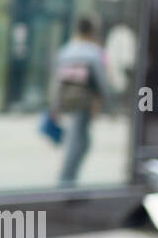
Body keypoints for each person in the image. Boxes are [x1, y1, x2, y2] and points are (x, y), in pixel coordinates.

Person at [48, 14, 113, 187]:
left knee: (78, 139)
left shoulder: (66, 50)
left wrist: (54, 106)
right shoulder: (93, 52)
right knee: (79, 142)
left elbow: (56, 81)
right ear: (92, 31)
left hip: (67, 102)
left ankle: (68, 178)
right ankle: (66, 180)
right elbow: (102, 82)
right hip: (83, 102)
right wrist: (108, 104)